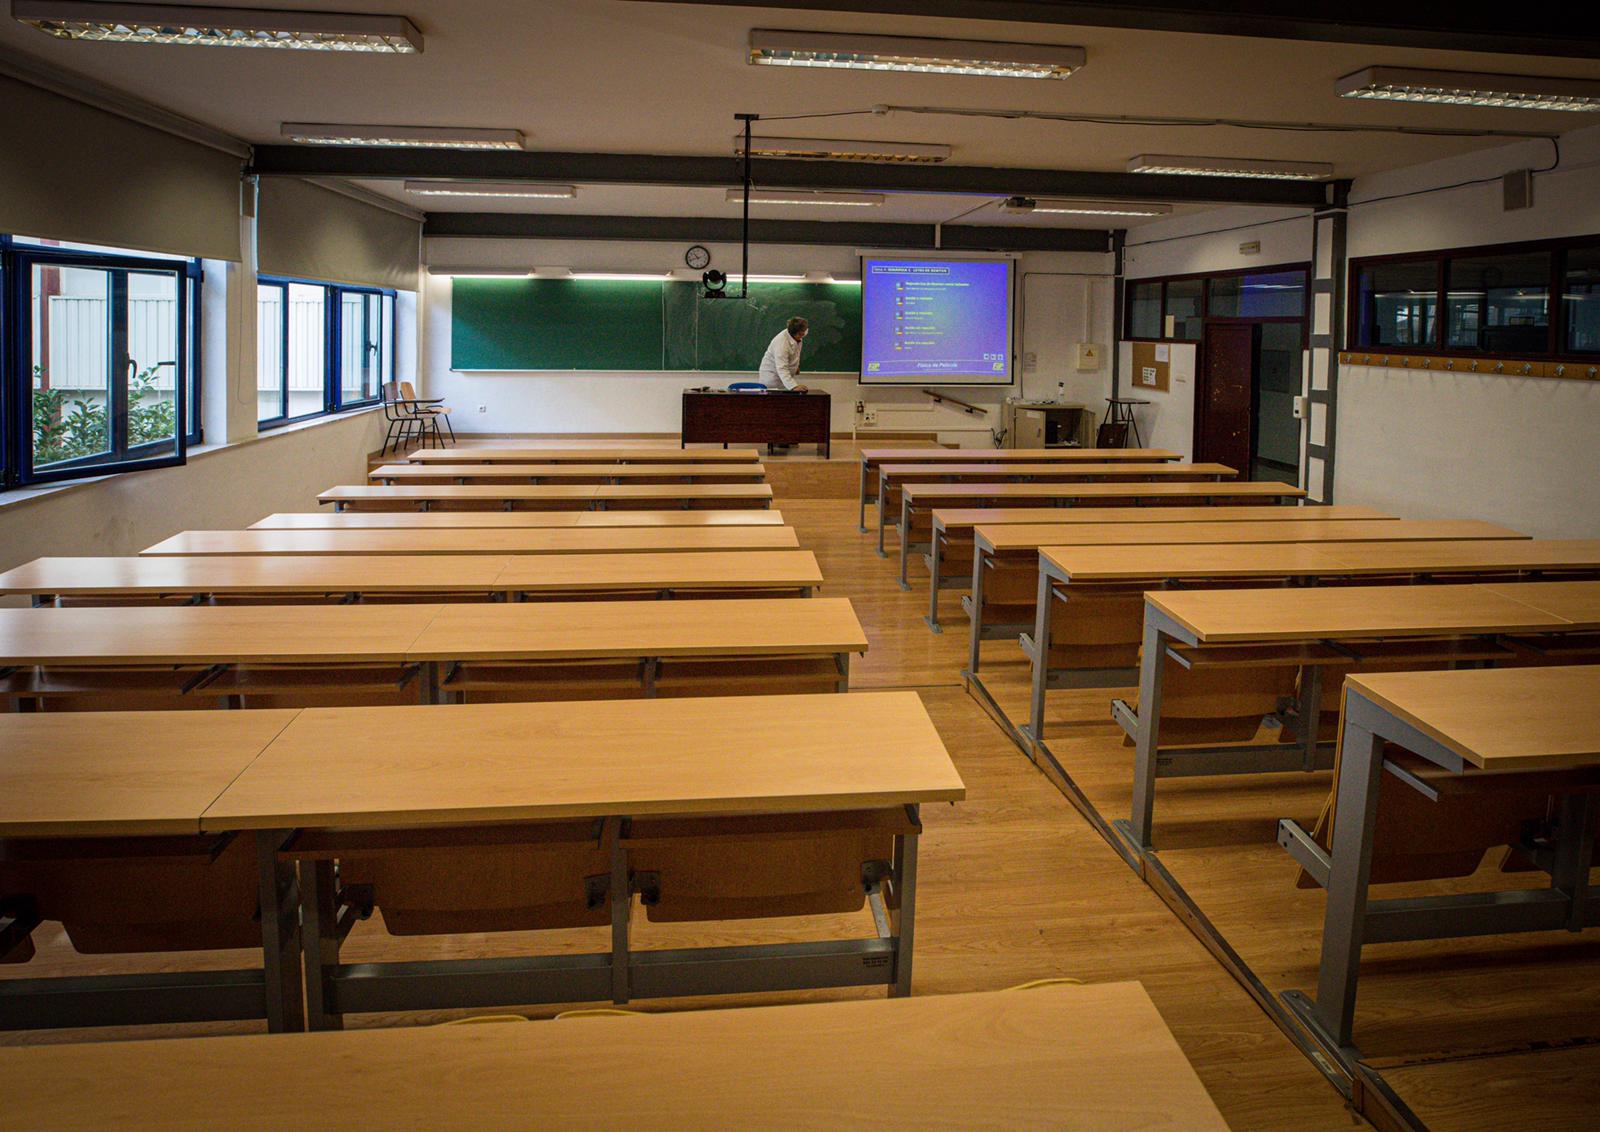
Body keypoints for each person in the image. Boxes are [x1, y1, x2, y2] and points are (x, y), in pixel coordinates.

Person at [757, 317, 809, 392]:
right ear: (796, 333)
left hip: (783, 378)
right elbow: (782, 368)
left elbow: (795, 352)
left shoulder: (795, 335)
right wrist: (793, 386)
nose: (804, 333)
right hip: (773, 379)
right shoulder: (781, 343)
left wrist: (796, 366)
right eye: (802, 333)